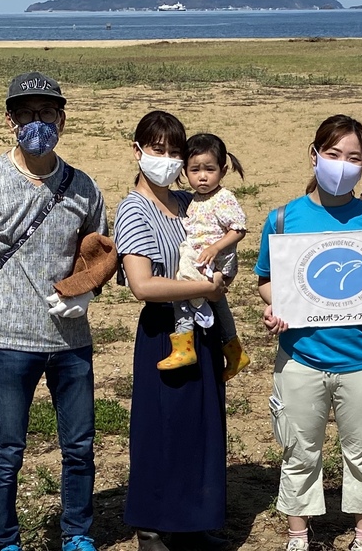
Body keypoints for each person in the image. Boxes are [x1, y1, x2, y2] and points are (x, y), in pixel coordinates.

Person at [256, 115, 362, 551]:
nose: (342, 164)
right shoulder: (281, 219)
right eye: (333, 154)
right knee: (298, 451)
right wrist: (276, 304)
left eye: (354, 158)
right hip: (301, 358)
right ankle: (298, 535)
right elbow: (265, 278)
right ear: (314, 156)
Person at [0, 72, 107, 551]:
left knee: (79, 448)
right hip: (6, 339)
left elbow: (99, 256)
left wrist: (87, 291)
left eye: (47, 113)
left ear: (62, 119)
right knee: (7, 450)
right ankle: (5, 541)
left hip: (71, 342)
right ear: (9, 121)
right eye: (26, 114)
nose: (37, 122)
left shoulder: (84, 187)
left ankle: (77, 535)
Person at [115, 111, 231, 551]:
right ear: (138, 150)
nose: (164, 158)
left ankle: (192, 521)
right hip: (164, 330)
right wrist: (205, 286)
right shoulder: (133, 209)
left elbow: (221, 239)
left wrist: (220, 277)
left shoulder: (187, 202)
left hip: (200, 325)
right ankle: (151, 524)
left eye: (173, 152)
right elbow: (143, 285)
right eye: (156, 149)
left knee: (199, 424)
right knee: (160, 426)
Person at [158, 132, 250, 381]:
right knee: (219, 304)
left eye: (209, 169)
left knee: (183, 288)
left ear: (223, 169)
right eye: (195, 170)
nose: (202, 176)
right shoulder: (196, 199)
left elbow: (238, 229)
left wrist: (215, 248)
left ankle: (183, 344)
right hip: (206, 261)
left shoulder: (223, 198)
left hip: (213, 261)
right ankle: (234, 351)